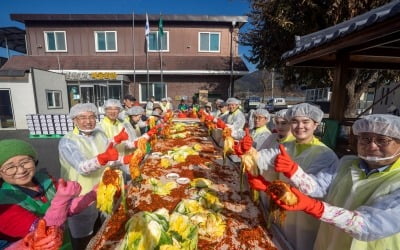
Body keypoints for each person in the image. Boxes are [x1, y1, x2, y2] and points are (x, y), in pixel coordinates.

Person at [242, 103, 339, 250]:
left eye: (305, 122)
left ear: (316, 124)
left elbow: (319, 189)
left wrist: (295, 172)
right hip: (281, 209)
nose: (300, 126)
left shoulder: (326, 155)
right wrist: (248, 151)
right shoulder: (287, 147)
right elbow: (264, 158)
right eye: (295, 121)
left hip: (303, 219)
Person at [0, 139, 96, 249]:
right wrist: (61, 200)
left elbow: (67, 209)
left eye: (25, 162)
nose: (21, 170)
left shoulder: (46, 180)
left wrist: (92, 195)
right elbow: (44, 234)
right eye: (10, 167)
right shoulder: (4, 203)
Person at [58, 103, 120, 249]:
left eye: (92, 116)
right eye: (82, 117)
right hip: (81, 196)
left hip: (103, 190)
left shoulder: (99, 135)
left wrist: (123, 160)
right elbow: (82, 167)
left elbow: (109, 158)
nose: (88, 121)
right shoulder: (68, 141)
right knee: (83, 237)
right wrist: (102, 159)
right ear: (74, 120)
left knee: (102, 230)